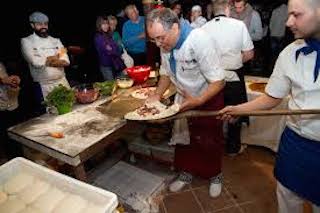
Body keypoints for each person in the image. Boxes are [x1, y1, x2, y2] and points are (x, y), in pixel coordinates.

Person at [219, 0, 320, 211]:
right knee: (287, 196)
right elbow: (271, 98)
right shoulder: (289, 53)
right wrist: (238, 109)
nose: (288, 22)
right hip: (295, 143)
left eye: (297, 15)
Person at [146, 8, 225, 197]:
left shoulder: (199, 40)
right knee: (185, 140)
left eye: (161, 37)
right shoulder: (164, 44)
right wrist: (157, 95)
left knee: (209, 140)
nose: (158, 43)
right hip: (185, 99)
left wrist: (198, 100)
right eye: (153, 39)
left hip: (208, 97)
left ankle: (214, 175)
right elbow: (166, 72)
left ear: (175, 27)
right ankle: (187, 172)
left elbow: (219, 81)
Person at [202, 0, 254, 155]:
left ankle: (213, 149)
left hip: (212, 78)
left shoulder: (203, 29)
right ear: (227, 9)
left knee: (213, 114)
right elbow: (249, 54)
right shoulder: (239, 25)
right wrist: (233, 62)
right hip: (234, 77)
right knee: (235, 114)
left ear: (212, 10)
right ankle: (232, 148)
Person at [21, 12, 70, 113]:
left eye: (45, 24)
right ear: (32, 25)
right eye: (39, 24)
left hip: (63, 82)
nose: (43, 26)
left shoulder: (57, 41)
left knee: (70, 109)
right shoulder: (26, 41)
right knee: (51, 115)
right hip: (44, 86)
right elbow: (36, 62)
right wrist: (56, 58)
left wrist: (49, 60)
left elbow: (66, 61)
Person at [0, 62, 22, 160]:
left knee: (15, 137)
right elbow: (3, 80)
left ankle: (20, 160)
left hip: (10, 104)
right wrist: (3, 80)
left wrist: (13, 82)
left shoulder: (1, 64)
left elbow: (6, 81)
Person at [94, 16, 125, 80]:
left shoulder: (108, 35)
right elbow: (110, 51)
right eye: (103, 24)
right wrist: (114, 50)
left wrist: (113, 49)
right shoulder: (98, 37)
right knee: (111, 86)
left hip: (115, 64)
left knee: (123, 82)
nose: (106, 26)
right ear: (99, 25)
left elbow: (114, 49)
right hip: (106, 66)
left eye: (107, 23)